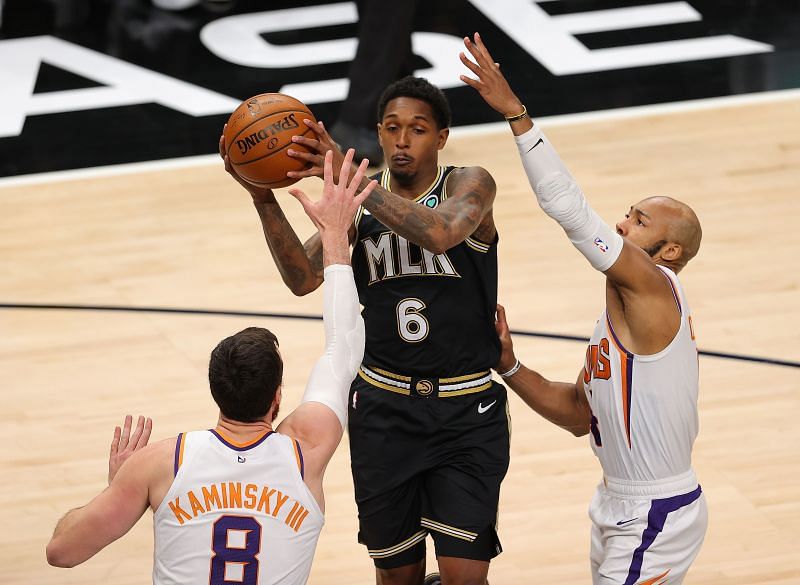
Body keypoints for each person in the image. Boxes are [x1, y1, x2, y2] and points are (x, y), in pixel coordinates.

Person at [220, 76, 508, 585]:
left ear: (441, 137)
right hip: (385, 412)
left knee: (466, 577)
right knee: (396, 578)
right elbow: (301, 278)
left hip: (466, 411)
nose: (401, 140)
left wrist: (358, 186)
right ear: (378, 132)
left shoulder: (470, 183)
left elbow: (441, 233)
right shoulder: (362, 205)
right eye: (392, 128)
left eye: (417, 130)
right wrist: (263, 198)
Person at [46, 149, 378, 585]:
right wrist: (336, 237)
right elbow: (343, 348)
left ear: (215, 391)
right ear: (277, 396)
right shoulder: (306, 452)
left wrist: (117, 487)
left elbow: (61, 554)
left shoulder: (158, 463)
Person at [460, 33, 708, 584]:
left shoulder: (654, 284)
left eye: (640, 222)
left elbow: (571, 213)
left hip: (657, 511)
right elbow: (578, 412)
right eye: (627, 214)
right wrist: (510, 367)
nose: (622, 224)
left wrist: (517, 116)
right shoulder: (622, 315)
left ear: (669, 252)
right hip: (618, 503)